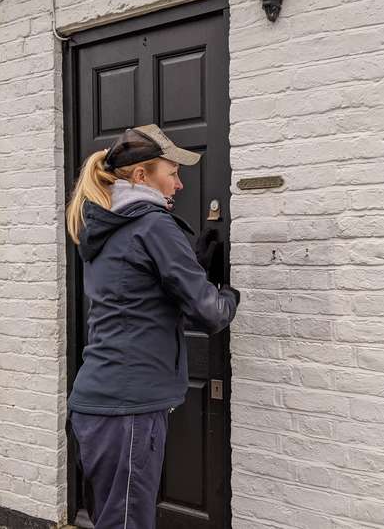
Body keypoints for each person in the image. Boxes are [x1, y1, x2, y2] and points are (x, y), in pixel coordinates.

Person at [65, 124, 240, 529]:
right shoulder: (153, 224)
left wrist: (186, 263)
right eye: (172, 173)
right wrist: (229, 293)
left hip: (96, 402)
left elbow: (136, 292)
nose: (179, 184)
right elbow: (209, 313)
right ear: (141, 176)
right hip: (129, 407)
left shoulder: (105, 224)